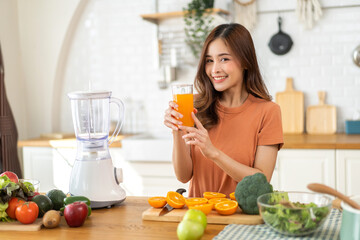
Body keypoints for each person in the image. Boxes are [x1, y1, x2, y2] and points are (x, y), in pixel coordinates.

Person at [164, 23, 283, 197]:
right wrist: (177, 130)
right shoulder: (195, 104)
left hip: (240, 219)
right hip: (198, 216)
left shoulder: (268, 112)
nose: (214, 69)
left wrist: (213, 153)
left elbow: (261, 182)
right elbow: (183, 176)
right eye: (209, 60)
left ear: (245, 61)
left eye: (224, 59)